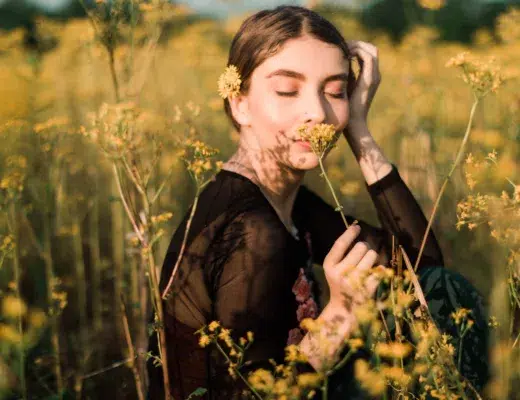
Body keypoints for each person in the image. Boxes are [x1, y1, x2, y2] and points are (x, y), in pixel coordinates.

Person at [147, 5, 489, 399]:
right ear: (239, 102)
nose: (317, 112)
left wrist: (358, 128)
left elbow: (422, 270)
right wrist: (341, 312)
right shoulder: (251, 230)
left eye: (335, 92)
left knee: (446, 296)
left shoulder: (288, 201)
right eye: (287, 90)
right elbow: (249, 395)